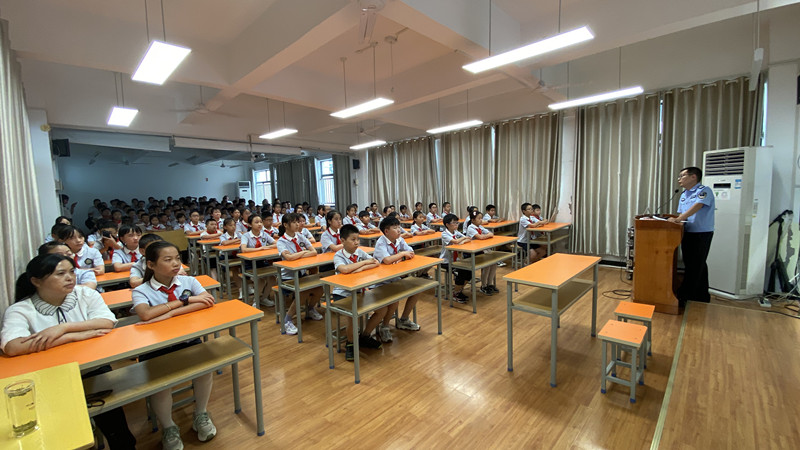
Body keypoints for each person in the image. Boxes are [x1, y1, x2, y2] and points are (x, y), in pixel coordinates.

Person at [3, 254, 136, 448]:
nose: (70, 278)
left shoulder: (85, 294)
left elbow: (107, 322)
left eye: (72, 272)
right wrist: (73, 336)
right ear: (36, 281)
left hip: (93, 368)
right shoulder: (21, 310)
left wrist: (63, 329)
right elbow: (13, 346)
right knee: (69, 434)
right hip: (50, 377)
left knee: (116, 426)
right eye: (60, 273)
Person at [131, 242, 217, 450]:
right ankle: (168, 426)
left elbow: (207, 300)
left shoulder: (188, 280)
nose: (176, 263)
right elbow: (146, 314)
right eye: (168, 260)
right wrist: (184, 301)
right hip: (156, 348)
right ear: (151, 264)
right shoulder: (141, 290)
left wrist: (168, 313)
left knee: (205, 371)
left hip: (188, 340)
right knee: (161, 386)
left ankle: (200, 413)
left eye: (178, 258)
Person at [332, 224, 385, 361]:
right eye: (353, 239)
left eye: (358, 239)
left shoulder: (360, 252)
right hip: (342, 293)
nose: (356, 242)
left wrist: (360, 269)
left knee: (382, 309)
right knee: (353, 316)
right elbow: (344, 269)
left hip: (360, 291)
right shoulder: (338, 255)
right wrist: (364, 263)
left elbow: (376, 262)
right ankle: (350, 343)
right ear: (342, 241)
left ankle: (365, 336)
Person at [668, 166, 715, 305]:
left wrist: (678, 218)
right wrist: (676, 221)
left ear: (693, 177)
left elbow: (697, 206)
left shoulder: (704, 191)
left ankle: (686, 295)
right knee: (693, 264)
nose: (679, 179)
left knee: (696, 264)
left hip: (701, 233)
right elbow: (681, 214)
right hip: (687, 231)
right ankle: (701, 295)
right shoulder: (684, 194)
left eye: (682, 176)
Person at [373, 216, 421, 340]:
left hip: (395, 277)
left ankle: (403, 319)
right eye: (395, 228)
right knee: (394, 299)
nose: (399, 230)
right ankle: (384, 326)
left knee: (416, 289)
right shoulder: (381, 242)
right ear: (386, 231)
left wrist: (401, 257)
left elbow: (411, 252)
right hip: (381, 281)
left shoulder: (399, 240)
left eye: (399, 227)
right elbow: (387, 260)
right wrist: (402, 254)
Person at [276, 213, 323, 335]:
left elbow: (314, 252)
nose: (297, 224)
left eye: (298, 222)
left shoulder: (300, 237)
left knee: (320, 288)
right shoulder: (281, 241)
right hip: (287, 277)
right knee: (303, 291)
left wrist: (298, 254)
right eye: (294, 222)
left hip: (301, 274)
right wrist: (303, 252)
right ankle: (287, 319)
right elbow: (288, 258)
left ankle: (310, 309)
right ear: (285, 225)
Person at [239, 214, 277, 307]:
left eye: (260, 222)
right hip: (249, 264)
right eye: (256, 222)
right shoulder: (246, 236)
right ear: (250, 224)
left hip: (262, 261)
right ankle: (255, 301)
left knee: (273, 278)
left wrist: (266, 247)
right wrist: (260, 249)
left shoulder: (264, 234)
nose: (259, 224)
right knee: (260, 280)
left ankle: (263, 298)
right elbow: (244, 249)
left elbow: (276, 244)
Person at [465, 210, 499, 295]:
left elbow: (490, 233)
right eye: (479, 218)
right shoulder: (471, 228)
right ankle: (483, 286)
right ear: (473, 220)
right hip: (473, 252)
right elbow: (480, 237)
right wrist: (485, 236)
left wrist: (485, 236)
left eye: (481, 218)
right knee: (487, 264)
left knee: (494, 263)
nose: (481, 220)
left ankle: (490, 284)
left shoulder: (480, 227)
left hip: (482, 249)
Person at [440, 214, 472, 303]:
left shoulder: (456, 232)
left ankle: (458, 290)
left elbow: (468, 239)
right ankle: (456, 293)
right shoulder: (444, 234)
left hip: (455, 260)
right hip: (445, 261)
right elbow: (456, 241)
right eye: (454, 223)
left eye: (457, 223)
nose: (456, 225)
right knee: (460, 271)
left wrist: (462, 240)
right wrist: (463, 239)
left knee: (469, 271)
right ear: (447, 224)